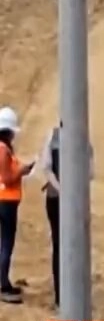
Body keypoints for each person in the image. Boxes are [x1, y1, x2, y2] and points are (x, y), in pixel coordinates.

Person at [39, 120, 94, 308]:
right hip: (76, 201)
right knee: (77, 245)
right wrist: (72, 190)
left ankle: (61, 298)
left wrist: (61, 189)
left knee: (59, 245)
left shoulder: (52, 136)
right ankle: (77, 296)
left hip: (56, 199)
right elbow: (90, 172)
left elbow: (45, 167)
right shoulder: (83, 138)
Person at [0, 107, 34, 304]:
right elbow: (7, 177)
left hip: (4, 200)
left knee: (3, 243)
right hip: (6, 202)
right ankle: (3, 285)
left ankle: (3, 281)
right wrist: (22, 171)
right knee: (6, 244)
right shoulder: (3, 150)